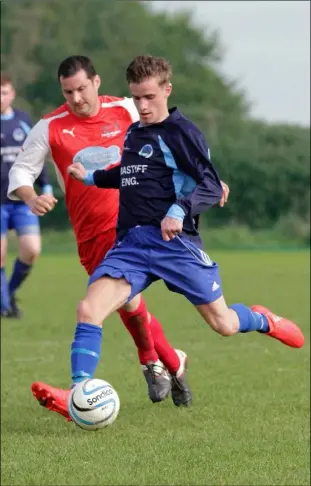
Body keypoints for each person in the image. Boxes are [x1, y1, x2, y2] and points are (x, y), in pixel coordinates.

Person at [7, 56, 227, 415]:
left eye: (81, 88)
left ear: (96, 82)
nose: (76, 97)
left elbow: (180, 140)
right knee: (129, 306)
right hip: (90, 232)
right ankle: (171, 361)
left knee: (113, 305)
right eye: (68, 91)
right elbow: (21, 173)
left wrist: (207, 181)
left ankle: (119, 373)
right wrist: (32, 198)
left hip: (135, 226)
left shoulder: (127, 107)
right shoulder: (50, 126)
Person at [1, 72, 53, 318]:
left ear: (11, 94)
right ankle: (5, 306)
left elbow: (36, 156)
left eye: (4, 93)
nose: (0, 98)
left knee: (31, 249)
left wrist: (46, 186)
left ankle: (8, 293)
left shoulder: (23, 120)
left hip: (23, 200)